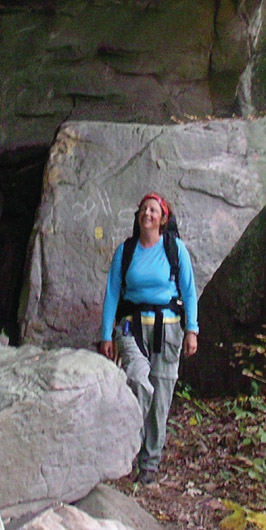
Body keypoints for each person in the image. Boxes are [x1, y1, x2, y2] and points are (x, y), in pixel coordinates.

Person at [99, 192, 198, 485]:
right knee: (139, 382)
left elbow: (189, 291)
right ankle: (127, 450)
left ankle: (149, 463)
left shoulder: (174, 249)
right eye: (144, 209)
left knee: (162, 395)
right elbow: (113, 292)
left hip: (167, 330)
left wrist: (192, 329)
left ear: (163, 218)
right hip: (131, 327)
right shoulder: (126, 251)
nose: (148, 214)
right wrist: (106, 334)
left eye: (154, 210)